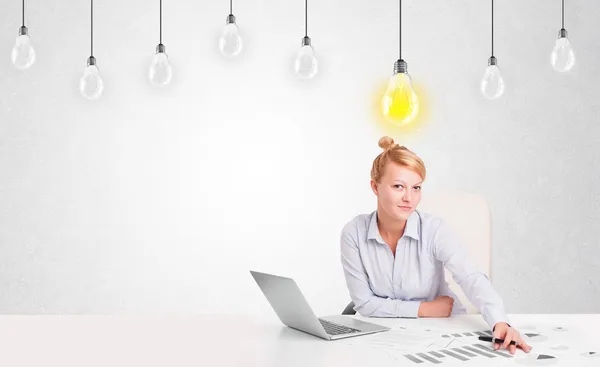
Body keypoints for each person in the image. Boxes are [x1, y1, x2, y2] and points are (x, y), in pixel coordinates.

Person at [340, 136, 531, 355]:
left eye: (417, 187)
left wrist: (501, 322)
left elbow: (471, 277)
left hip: (441, 332)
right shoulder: (353, 233)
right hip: (387, 337)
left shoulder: (434, 229)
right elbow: (364, 304)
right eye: (398, 186)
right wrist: (424, 309)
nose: (409, 198)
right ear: (375, 187)